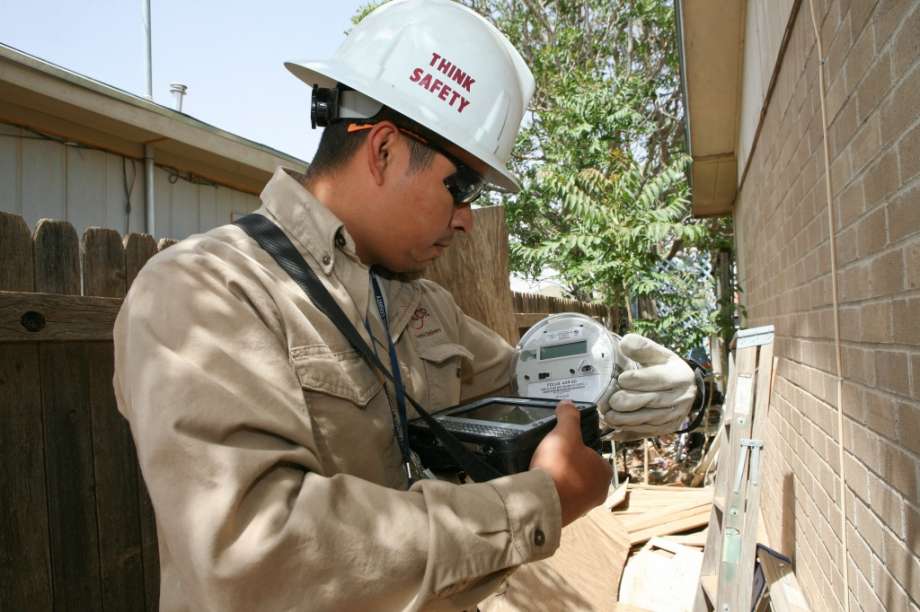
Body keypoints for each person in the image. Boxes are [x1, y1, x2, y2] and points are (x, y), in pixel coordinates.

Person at [113, 1, 696, 610]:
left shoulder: (422, 305)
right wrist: (535, 504)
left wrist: (639, 385)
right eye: (463, 187)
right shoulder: (205, 292)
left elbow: (539, 389)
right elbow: (255, 555)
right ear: (385, 148)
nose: (469, 220)